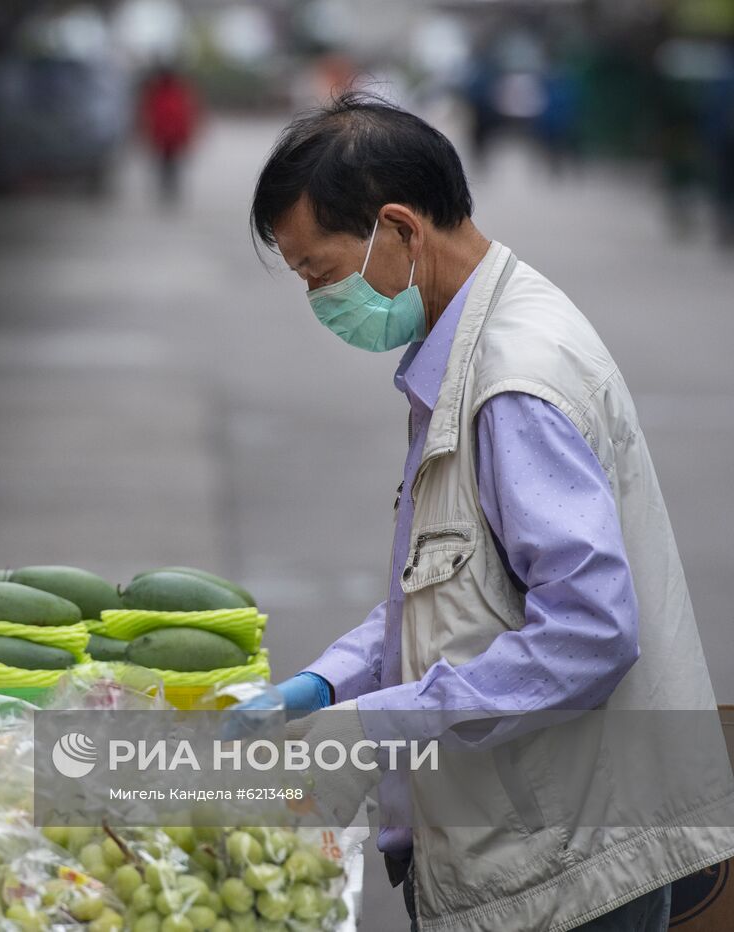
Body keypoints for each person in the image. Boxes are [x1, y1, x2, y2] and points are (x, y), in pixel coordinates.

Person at [236, 93, 734, 931]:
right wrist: (331, 680)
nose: (319, 300)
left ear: (398, 229)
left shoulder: (511, 382)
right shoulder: (479, 333)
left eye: (319, 273)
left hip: (572, 865)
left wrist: (378, 720)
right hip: (552, 833)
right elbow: (460, 584)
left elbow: (589, 631)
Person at [139, 65, 198, 206]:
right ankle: (168, 191)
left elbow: (186, 116)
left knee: (169, 165)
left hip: (171, 138)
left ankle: (169, 191)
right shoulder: (166, 94)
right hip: (167, 138)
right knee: (167, 165)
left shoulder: (169, 93)